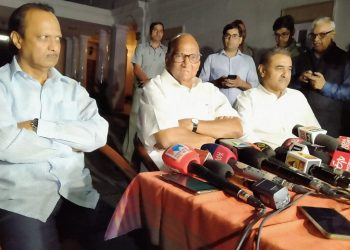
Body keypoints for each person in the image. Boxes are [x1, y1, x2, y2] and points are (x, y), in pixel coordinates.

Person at [0, 3, 114, 250]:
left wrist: (38, 127)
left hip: (77, 193)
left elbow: (98, 133)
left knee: (130, 237)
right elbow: (6, 144)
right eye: (43, 38)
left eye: (58, 39)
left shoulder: (73, 89)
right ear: (18, 39)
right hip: (22, 200)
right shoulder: (1, 86)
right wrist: (71, 142)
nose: (54, 47)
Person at [138, 33, 243, 169]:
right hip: (170, 172)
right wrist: (214, 139)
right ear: (167, 58)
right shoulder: (154, 87)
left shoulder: (208, 90)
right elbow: (167, 138)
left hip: (214, 166)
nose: (186, 63)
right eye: (179, 56)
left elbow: (236, 128)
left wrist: (191, 124)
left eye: (193, 57)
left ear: (199, 62)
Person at [235, 49, 320, 149]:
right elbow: (244, 136)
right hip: (268, 159)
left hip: (305, 157)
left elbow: (316, 132)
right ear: (262, 70)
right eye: (280, 68)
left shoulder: (297, 96)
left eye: (289, 69)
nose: (285, 74)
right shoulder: (247, 99)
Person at [293, 17, 348, 137]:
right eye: (313, 35)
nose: (316, 39)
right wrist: (299, 81)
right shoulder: (302, 57)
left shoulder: (345, 59)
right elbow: (289, 86)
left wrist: (325, 86)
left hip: (328, 124)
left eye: (322, 35)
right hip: (300, 121)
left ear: (333, 34)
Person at [122, 22, 167, 162]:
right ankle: (127, 156)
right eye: (155, 30)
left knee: (154, 123)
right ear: (150, 32)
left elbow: (167, 71)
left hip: (158, 93)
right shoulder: (141, 48)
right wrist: (147, 81)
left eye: (160, 31)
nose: (158, 33)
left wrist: (152, 83)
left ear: (163, 33)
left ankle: (149, 158)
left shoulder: (166, 51)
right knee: (134, 122)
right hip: (141, 90)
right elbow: (137, 68)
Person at [199, 22, 259, 106]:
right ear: (223, 38)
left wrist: (240, 83)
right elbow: (200, 85)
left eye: (234, 36)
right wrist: (217, 83)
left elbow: (255, 88)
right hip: (216, 107)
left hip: (242, 107)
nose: (230, 39)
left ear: (240, 40)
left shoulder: (248, 60)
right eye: (227, 36)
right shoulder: (211, 58)